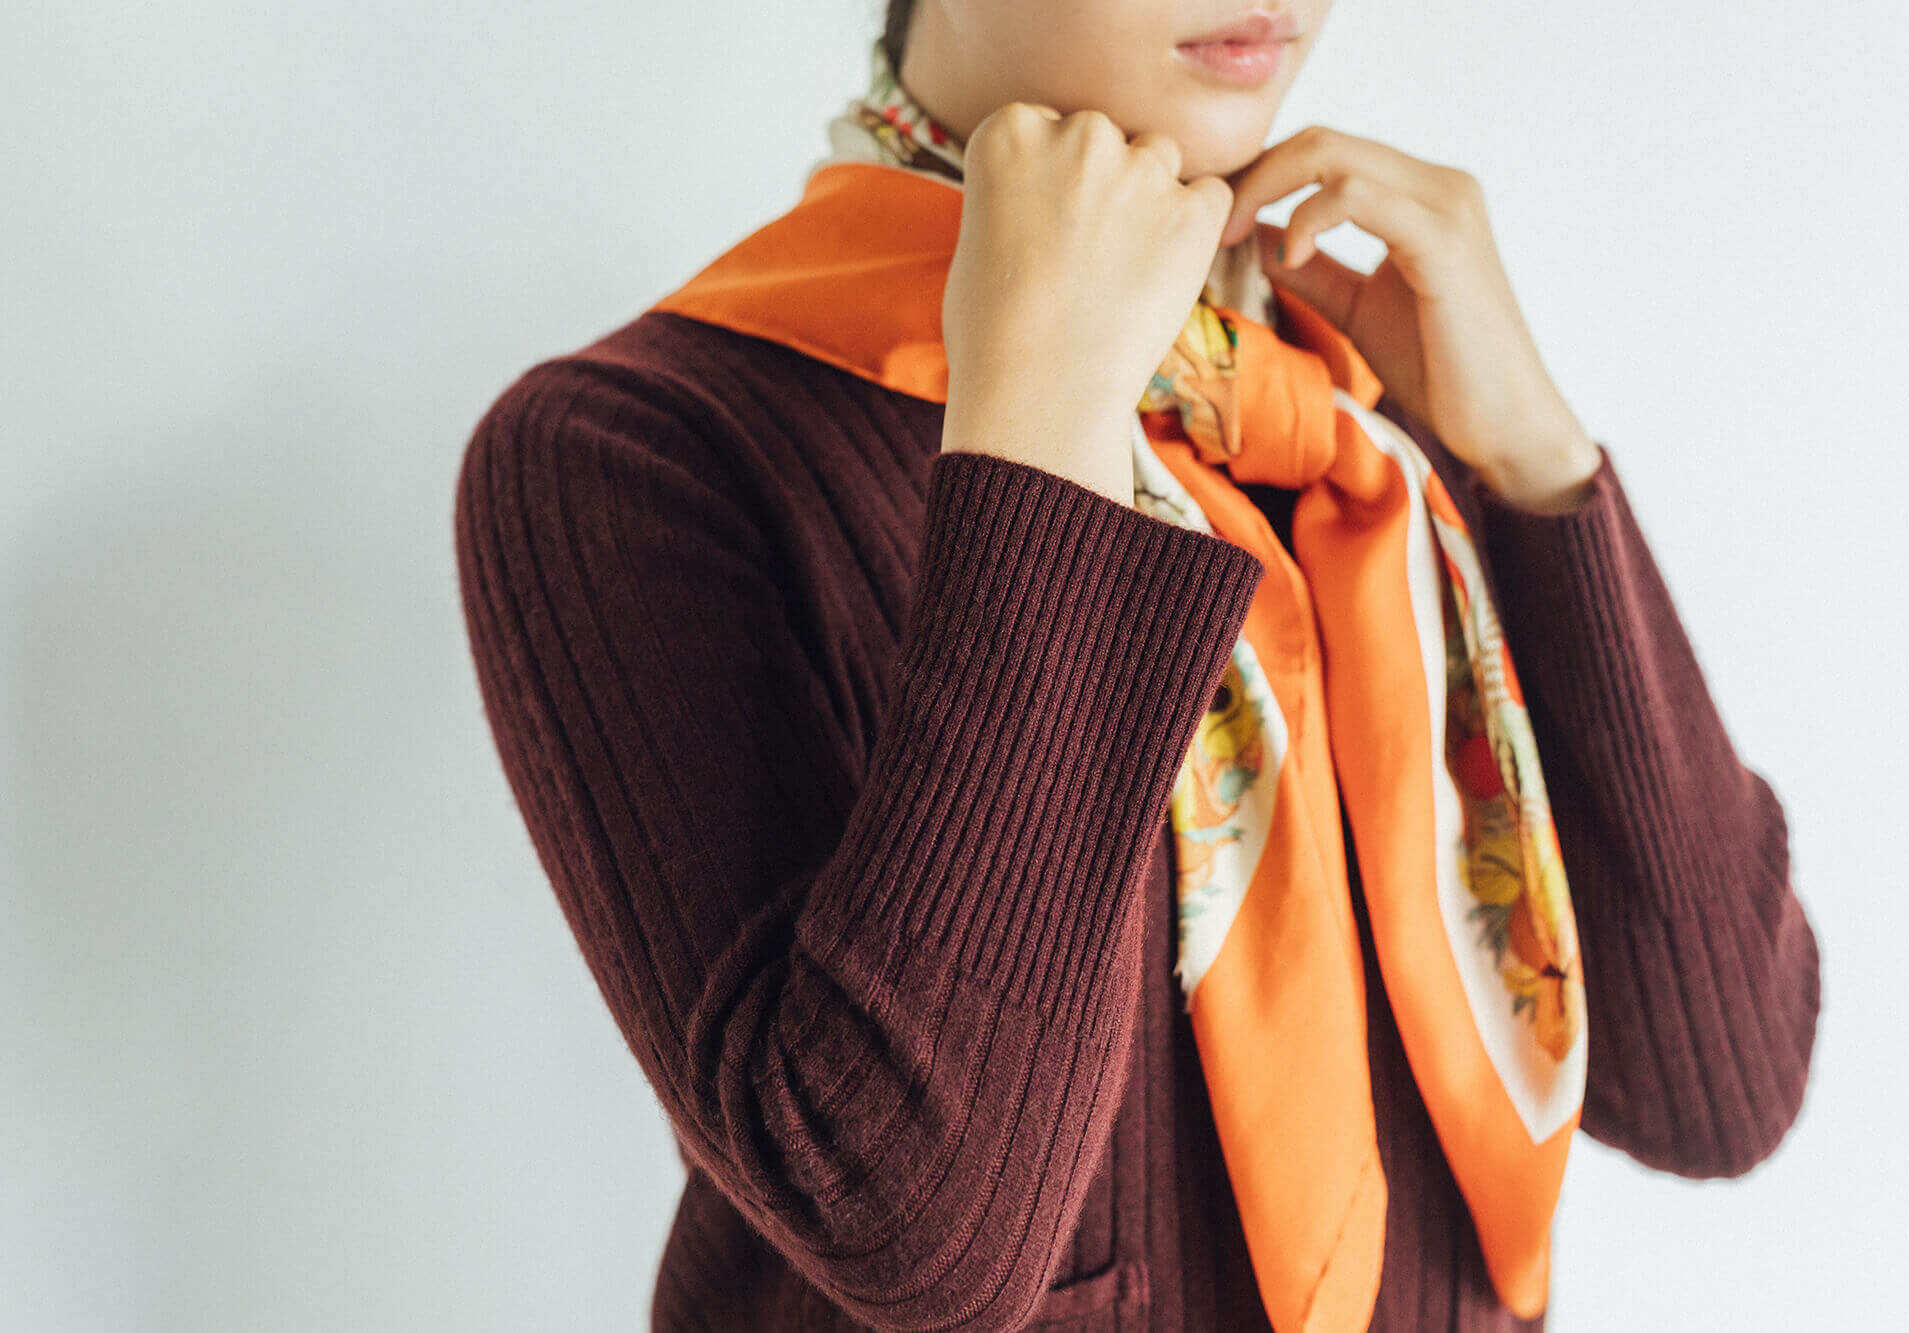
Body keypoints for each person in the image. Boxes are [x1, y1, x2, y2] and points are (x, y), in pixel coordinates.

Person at [451, 2, 1823, 1328]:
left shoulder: (1369, 417)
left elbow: (1718, 1086)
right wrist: (1042, 435)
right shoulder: (634, 451)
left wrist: (1541, 468)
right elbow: (916, 1240)